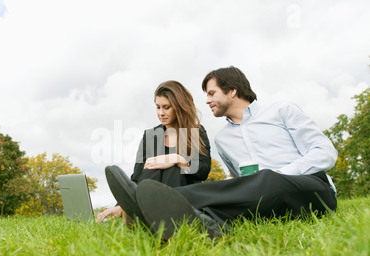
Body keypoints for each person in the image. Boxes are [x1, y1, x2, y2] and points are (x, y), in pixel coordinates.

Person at [105, 66, 338, 239]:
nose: (206, 101)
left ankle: (151, 205)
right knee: (235, 192)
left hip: (310, 187)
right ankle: (201, 224)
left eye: (211, 93)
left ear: (233, 91)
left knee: (267, 178)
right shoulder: (223, 139)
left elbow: (325, 152)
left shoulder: (281, 110)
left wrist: (281, 172)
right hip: (269, 197)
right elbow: (239, 185)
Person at [97, 80, 211, 223]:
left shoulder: (196, 132)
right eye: (157, 107)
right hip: (152, 192)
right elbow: (138, 176)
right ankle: (138, 211)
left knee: (172, 167)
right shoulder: (150, 136)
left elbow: (204, 170)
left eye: (166, 107)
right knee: (152, 166)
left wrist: (178, 159)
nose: (161, 113)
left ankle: (163, 215)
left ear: (179, 107)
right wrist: (120, 206)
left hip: (183, 194)